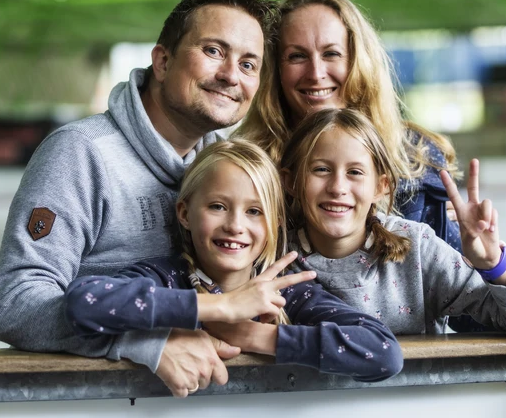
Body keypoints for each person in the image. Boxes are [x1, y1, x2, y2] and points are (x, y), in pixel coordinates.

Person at [237, 0, 506, 339]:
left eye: (332, 54)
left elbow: (469, 301)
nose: (316, 72)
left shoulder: (415, 163)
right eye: (296, 56)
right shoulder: (244, 171)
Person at [0, 0, 278, 396]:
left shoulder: (231, 169)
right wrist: (142, 343)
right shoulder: (81, 153)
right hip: (96, 414)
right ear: (162, 61)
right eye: (214, 51)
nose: (231, 75)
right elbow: (15, 306)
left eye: (249, 64)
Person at [63, 140, 404, 393]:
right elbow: (84, 302)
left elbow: (383, 353)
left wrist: (255, 336)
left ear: (274, 223)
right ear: (185, 213)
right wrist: (221, 307)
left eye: (254, 211)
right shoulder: (167, 277)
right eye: (217, 206)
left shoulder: (288, 292)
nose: (235, 226)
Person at [262, 108, 506, 339]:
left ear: (381, 187)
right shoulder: (272, 258)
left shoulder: (418, 248)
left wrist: (495, 266)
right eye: (321, 169)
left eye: (355, 172)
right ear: (291, 182)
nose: (338, 187)